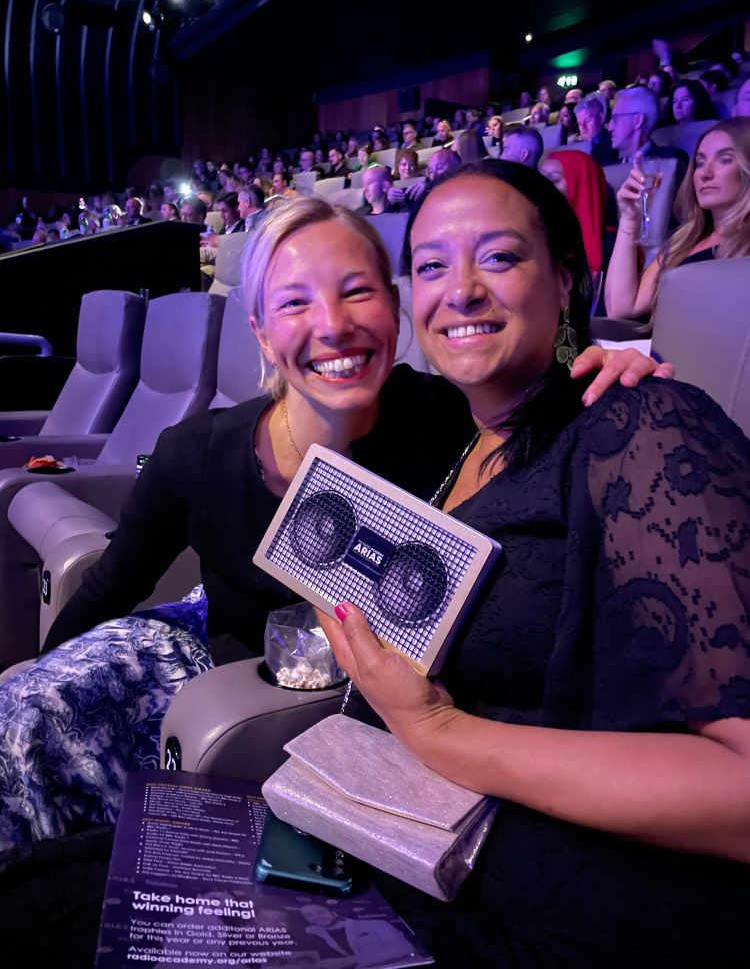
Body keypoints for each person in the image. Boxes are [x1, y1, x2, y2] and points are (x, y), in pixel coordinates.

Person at [0, 195, 666, 855]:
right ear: (261, 330)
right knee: (20, 728)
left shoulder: (454, 420)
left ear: (396, 310)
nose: (333, 326)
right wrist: (35, 667)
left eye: (357, 292)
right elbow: (110, 585)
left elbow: (544, 381)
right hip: (209, 665)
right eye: (295, 303)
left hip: (355, 725)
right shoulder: (195, 452)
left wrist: (605, 363)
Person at [319, 159, 750, 968]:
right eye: (432, 265)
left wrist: (433, 728)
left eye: (501, 257)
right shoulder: (448, 439)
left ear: (564, 283)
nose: (463, 289)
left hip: (565, 916)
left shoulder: (644, 422)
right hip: (390, 847)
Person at [605, 117, 750, 322]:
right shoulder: (683, 241)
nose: (705, 174)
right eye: (700, 162)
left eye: (725, 160)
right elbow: (621, 308)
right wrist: (629, 219)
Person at [540, 149, 613, 280]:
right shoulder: (539, 232)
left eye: (554, 180)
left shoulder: (613, 246)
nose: (542, 187)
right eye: (540, 180)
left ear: (581, 187)